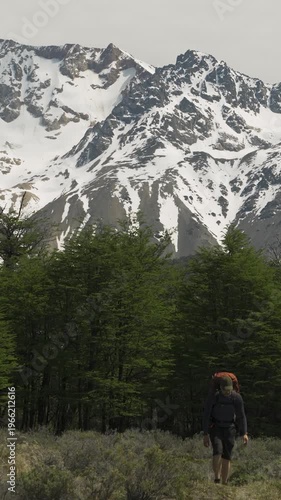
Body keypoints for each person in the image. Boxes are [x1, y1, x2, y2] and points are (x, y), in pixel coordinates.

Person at [202, 375, 248, 485]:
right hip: (216, 427)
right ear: (220, 388)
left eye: (229, 390)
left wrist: (244, 433)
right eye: (225, 390)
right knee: (217, 451)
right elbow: (206, 415)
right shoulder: (214, 397)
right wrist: (205, 433)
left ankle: (224, 483)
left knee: (227, 455)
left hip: (230, 428)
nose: (227, 392)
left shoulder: (236, 398)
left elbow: (241, 416)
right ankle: (217, 478)